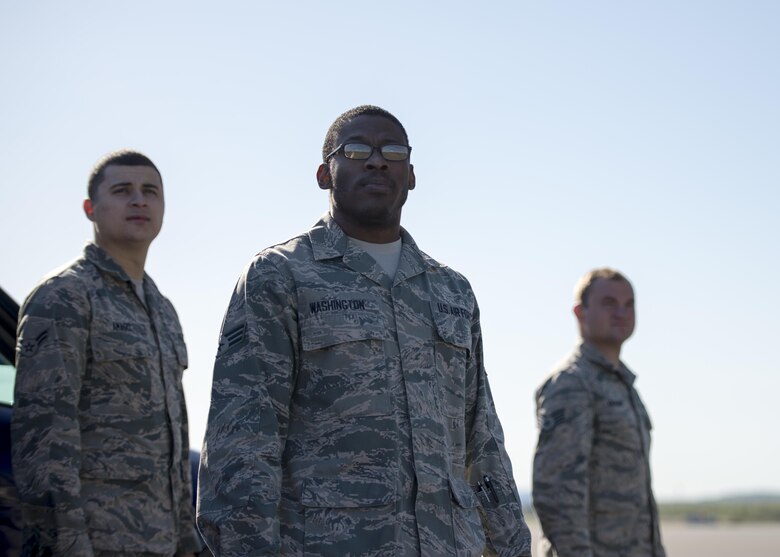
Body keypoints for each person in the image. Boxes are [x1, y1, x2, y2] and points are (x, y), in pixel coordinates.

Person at [196, 105, 532, 556]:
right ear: (323, 174)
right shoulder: (280, 276)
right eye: (355, 150)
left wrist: (511, 545)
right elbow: (242, 445)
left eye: (393, 151)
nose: (376, 161)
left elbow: (482, 438)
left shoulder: (451, 291)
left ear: (411, 175)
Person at [11, 150, 202, 556]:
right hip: (92, 542)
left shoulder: (162, 309)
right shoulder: (65, 296)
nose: (139, 200)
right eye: (122, 190)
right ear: (90, 208)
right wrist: (66, 546)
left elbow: (174, 438)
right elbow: (42, 439)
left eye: (150, 191)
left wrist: (187, 542)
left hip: (159, 541)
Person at [532, 268, 665, 557]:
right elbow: (557, 495)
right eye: (609, 303)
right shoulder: (571, 384)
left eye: (629, 304)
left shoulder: (622, 385)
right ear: (580, 312)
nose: (622, 312)